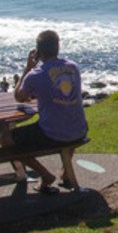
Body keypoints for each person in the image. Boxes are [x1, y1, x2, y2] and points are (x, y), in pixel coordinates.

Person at [7, 29, 88, 194]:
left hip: (52, 134)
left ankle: (45, 175)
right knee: (67, 120)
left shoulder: (35, 75)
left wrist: (27, 68)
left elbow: (19, 97)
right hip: (79, 130)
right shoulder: (73, 67)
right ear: (58, 48)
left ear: (38, 51)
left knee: (6, 138)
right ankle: (65, 173)